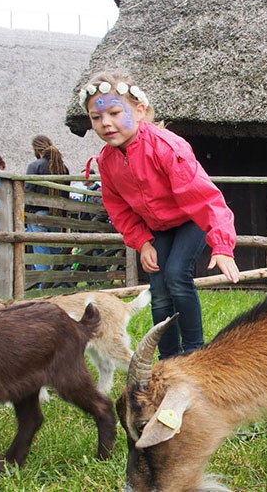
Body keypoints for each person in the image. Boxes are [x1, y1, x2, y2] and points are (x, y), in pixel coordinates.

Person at [79, 71, 241, 359]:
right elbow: (119, 209)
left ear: (139, 111)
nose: (106, 123)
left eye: (116, 112)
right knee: (159, 287)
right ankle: (168, 357)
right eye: (96, 117)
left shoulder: (167, 147)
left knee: (177, 275)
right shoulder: (107, 162)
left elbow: (205, 198)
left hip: (190, 220)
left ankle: (195, 352)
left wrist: (223, 245)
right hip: (157, 228)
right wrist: (142, 242)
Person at [24, 135, 69, 287]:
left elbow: (28, 192)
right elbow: (66, 194)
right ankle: (63, 284)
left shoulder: (34, 166)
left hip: (38, 215)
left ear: (37, 149)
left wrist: (24, 214)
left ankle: (44, 286)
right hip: (57, 216)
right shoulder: (62, 168)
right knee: (57, 252)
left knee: (42, 253)